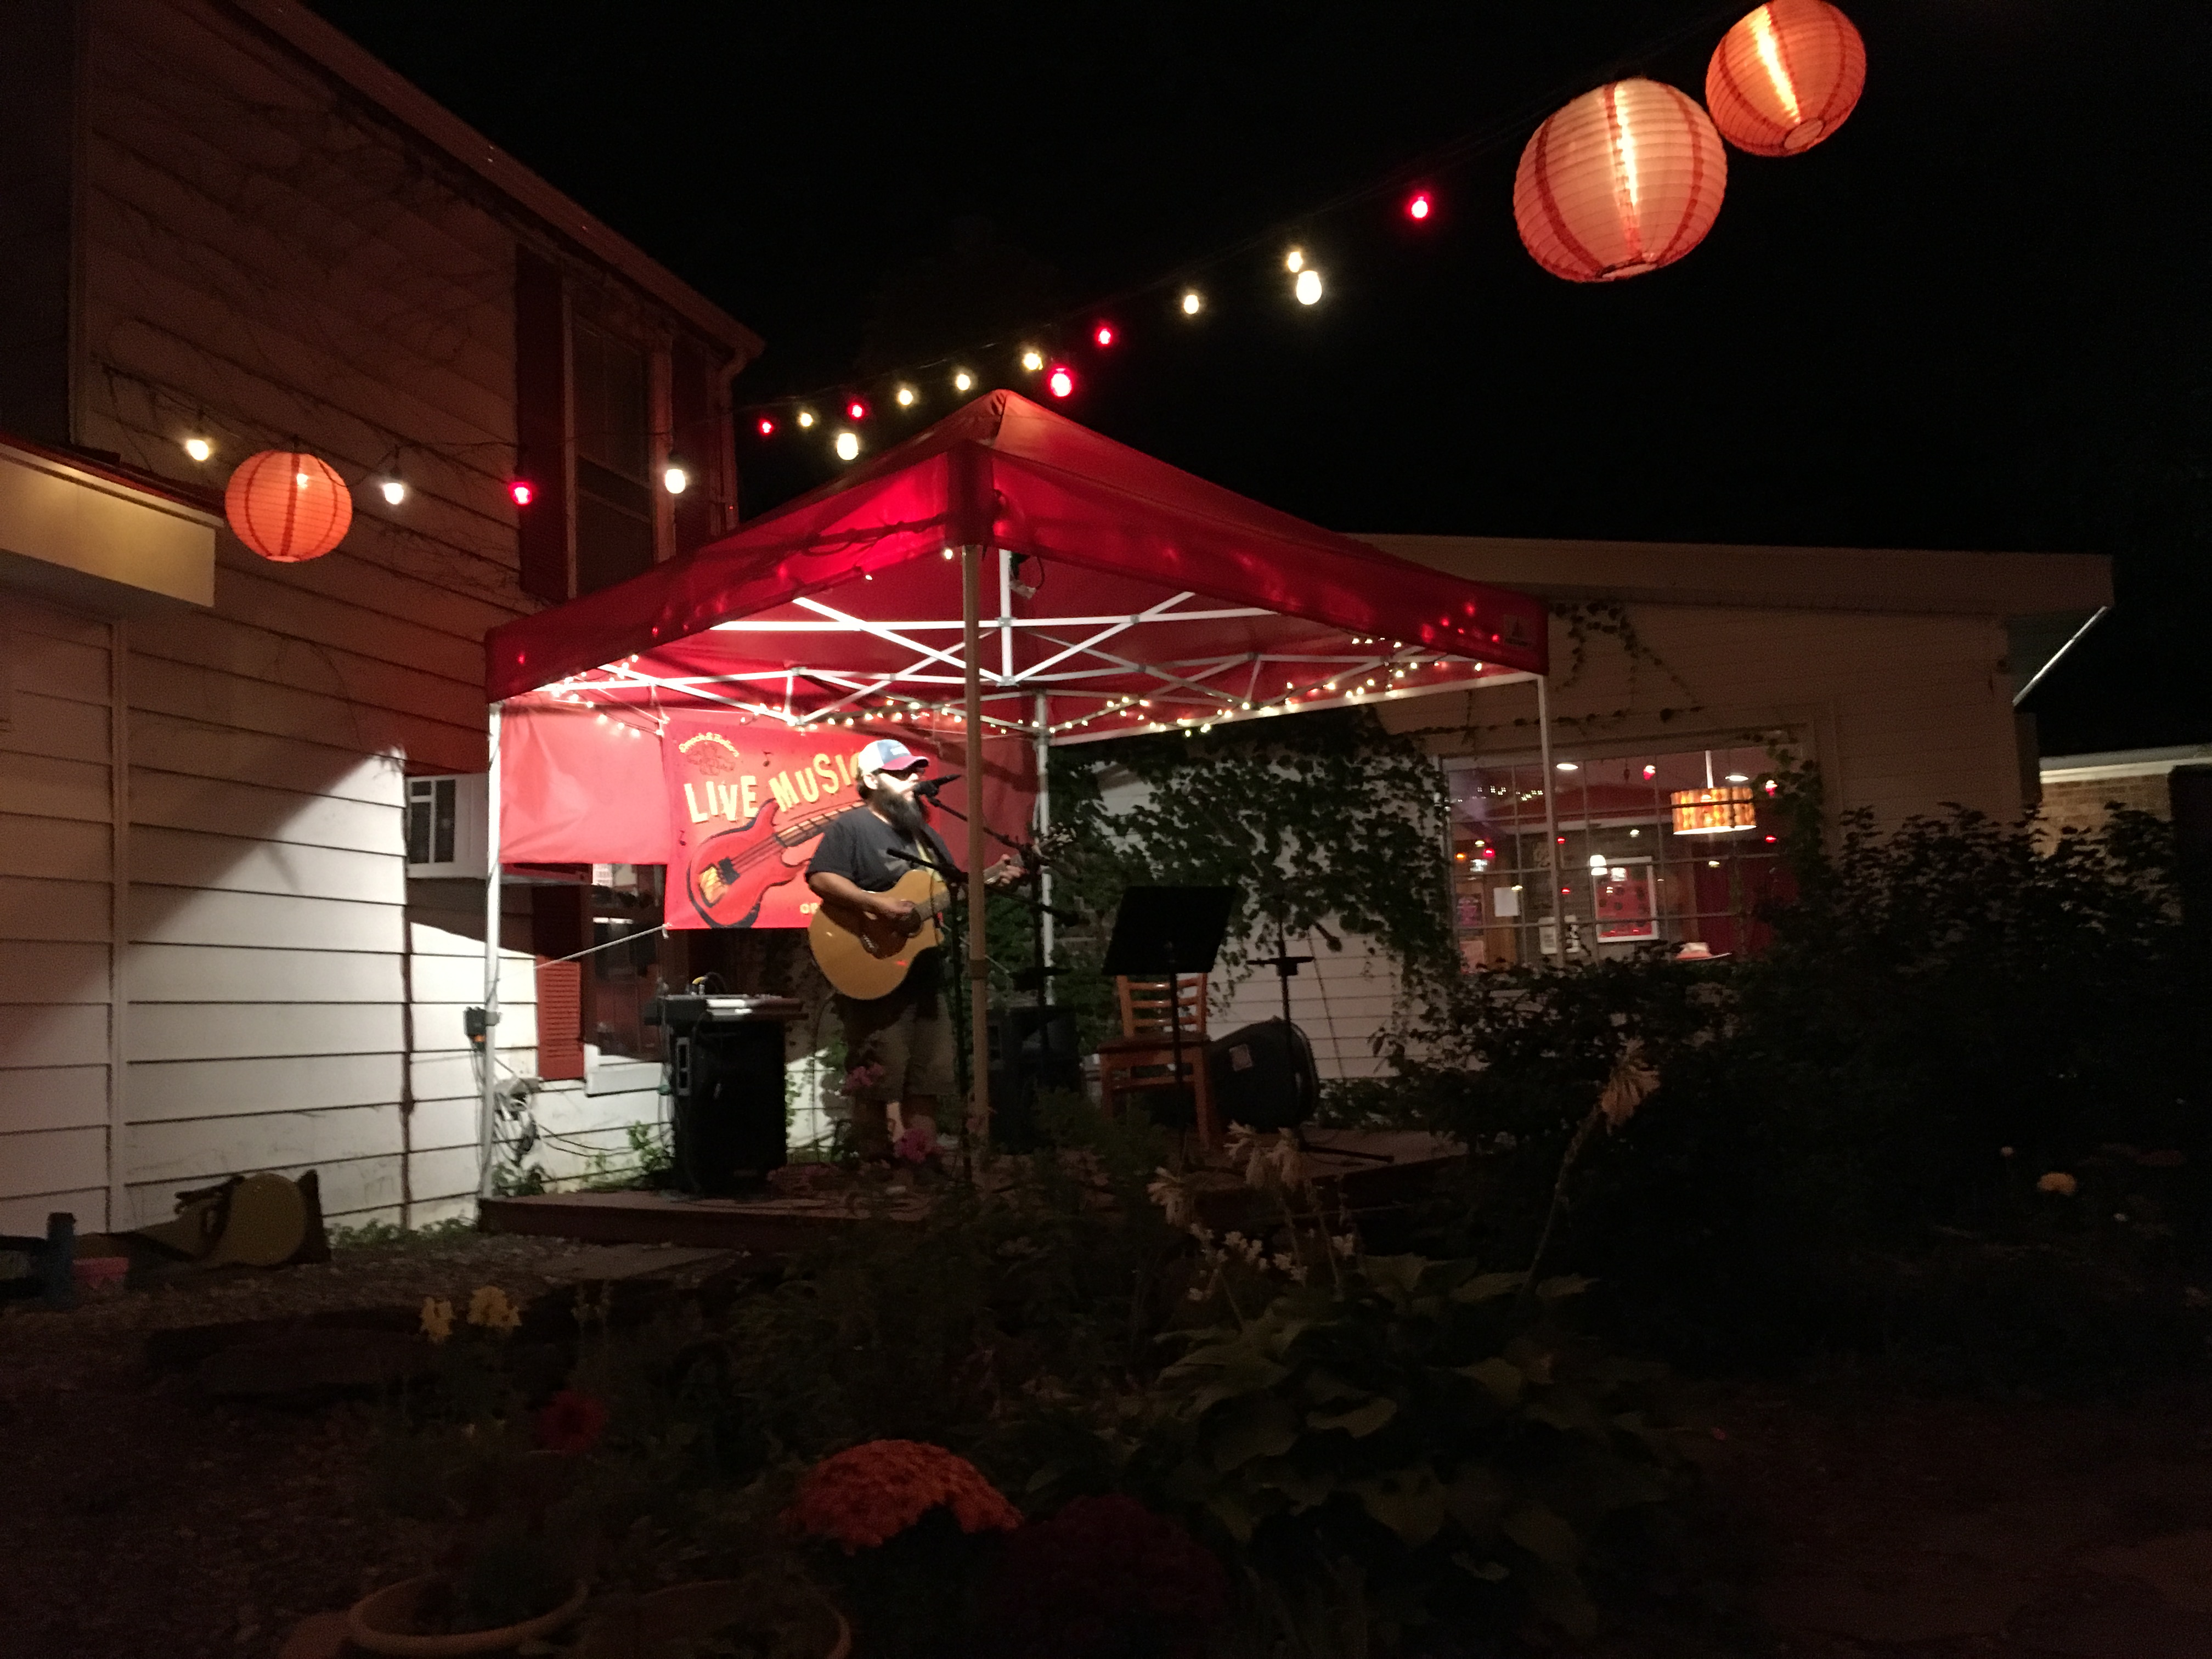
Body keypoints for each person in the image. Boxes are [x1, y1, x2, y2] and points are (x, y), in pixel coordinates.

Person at [805, 738, 1003, 1163]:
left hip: (924, 972)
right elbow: (821, 878)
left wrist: (995, 879)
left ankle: (921, 1171)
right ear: (871, 780)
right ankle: (876, 1173)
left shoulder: (924, 836)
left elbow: (951, 889)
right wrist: (876, 904)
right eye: (902, 773)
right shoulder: (852, 828)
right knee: (878, 1078)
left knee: (928, 1078)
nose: (915, 778)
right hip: (874, 968)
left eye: (916, 770)